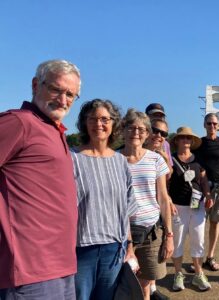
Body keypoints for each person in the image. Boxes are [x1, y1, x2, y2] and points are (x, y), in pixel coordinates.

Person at [0, 59, 81, 299]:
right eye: (56, 89)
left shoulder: (55, 130)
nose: (63, 100)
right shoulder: (19, 122)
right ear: (36, 85)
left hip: (61, 265)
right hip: (29, 270)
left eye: (70, 94)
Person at [71, 99, 138, 300]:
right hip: (80, 249)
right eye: (92, 119)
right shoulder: (71, 158)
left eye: (104, 119)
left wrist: (130, 247)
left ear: (113, 124)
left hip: (114, 250)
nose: (98, 124)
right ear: (84, 123)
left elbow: (125, 209)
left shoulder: (120, 161)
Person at [120, 109, 174, 300]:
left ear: (147, 134)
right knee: (123, 283)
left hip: (149, 232)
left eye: (141, 129)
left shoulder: (155, 159)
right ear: (123, 130)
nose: (136, 132)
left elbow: (163, 198)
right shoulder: (114, 159)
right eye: (131, 127)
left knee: (145, 283)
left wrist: (169, 235)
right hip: (120, 234)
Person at [168, 127, 214, 292]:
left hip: (197, 206)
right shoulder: (170, 159)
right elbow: (165, 183)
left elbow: (203, 180)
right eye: (182, 138)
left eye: (189, 138)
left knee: (198, 239)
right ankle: (178, 274)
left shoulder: (198, 160)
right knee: (178, 241)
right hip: (178, 207)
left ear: (192, 142)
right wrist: (168, 202)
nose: (186, 141)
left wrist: (208, 196)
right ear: (177, 141)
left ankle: (198, 274)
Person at [193, 113, 219, 271]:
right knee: (197, 224)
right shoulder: (199, 144)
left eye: (215, 124)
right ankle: (197, 260)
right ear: (204, 125)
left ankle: (210, 256)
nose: (212, 126)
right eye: (209, 123)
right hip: (201, 190)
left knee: (215, 223)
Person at [145, 103, 173, 167]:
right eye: (154, 115)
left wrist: (167, 160)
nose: (158, 118)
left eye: (160, 116)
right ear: (146, 117)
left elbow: (169, 174)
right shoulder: (138, 139)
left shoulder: (165, 144)